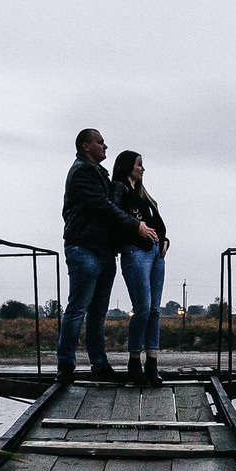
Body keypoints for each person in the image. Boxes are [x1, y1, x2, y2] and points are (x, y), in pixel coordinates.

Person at [58, 128, 155, 380]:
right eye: (100, 142)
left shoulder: (98, 173)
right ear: (85, 146)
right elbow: (103, 206)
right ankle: (66, 367)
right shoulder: (83, 171)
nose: (105, 146)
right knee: (78, 309)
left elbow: (110, 206)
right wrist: (136, 225)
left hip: (102, 250)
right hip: (85, 247)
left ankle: (100, 366)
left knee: (97, 313)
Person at [111, 149, 169, 385]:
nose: (142, 169)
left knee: (154, 310)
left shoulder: (143, 195)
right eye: (138, 164)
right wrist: (138, 230)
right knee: (143, 308)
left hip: (156, 255)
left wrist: (165, 239)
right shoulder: (119, 189)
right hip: (136, 252)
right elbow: (115, 217)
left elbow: (158, 224)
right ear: (127, 166)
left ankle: (152, 363)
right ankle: (134, 362)